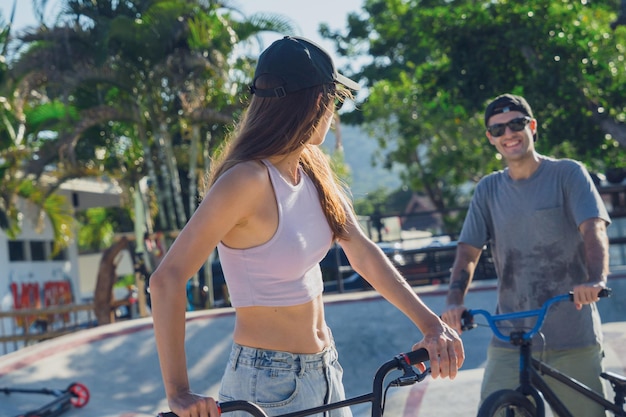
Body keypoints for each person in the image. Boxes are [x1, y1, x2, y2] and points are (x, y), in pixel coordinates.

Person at [150, 35, 465, 417]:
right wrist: (178, 391)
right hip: (268, 385)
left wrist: (430, 324)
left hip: (326, 370)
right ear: (318, 101)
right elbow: (166, 278)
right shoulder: (246, 181)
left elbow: (361, 250)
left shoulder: (312, 167)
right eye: (334, 100)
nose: (335, 112)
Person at [441, 93, 611, 417]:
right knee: (494, 408)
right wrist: (453, 301)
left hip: (572, 334)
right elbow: (468, 251)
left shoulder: (568, 174)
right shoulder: (488, 190)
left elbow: (594, 230)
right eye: (499, 129)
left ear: (532, 126)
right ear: (491, 138)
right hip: (511, 337)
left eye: (516, 124)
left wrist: (595, 279)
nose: (509, 134)